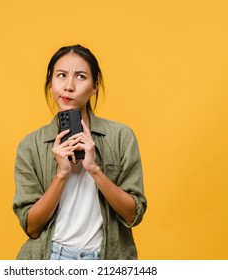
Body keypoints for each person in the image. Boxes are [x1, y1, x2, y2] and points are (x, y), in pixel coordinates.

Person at [13, 44, 147, 260]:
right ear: (50, 84)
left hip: (107, 259)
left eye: (81, 77)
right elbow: (32, 226)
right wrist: (62, 174)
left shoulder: (121, 137)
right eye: (61, 75)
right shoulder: (30, 146)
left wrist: (94, 169)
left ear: (94, 86)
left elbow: (133, 215)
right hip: (51, 257)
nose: (69, 86)